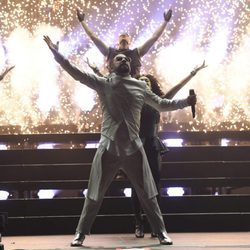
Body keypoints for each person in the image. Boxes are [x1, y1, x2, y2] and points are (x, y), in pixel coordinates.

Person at [43, 35, 196, 247]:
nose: (124, 60)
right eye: (119, 59)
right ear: (111, 65)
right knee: (94, 194)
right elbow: (76, 73)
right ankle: (80, 233)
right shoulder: (103, 83)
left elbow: (162, 104)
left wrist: (186, 102)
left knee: (148, 195)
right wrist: (57, 55)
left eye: (126, 59)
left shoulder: (141, 87)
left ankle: (161, 232)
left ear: (132, 65)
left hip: (133, 148)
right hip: (108, 148)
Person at [133, 62, 207, 238]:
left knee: (155, 185)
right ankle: (138, 222)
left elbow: (175, 91)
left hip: (152, 145)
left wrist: (191, 74)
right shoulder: (131, 101)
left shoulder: (159, 102)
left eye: (147, 80)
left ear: (151, 85)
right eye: (141, 80)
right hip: (135, 145)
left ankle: (154, 223)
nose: (144, 81)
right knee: (136, 185)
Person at [76, 8, 172, 77]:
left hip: (134, 90)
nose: (124, 37)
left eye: (126, 36)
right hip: (115, 89)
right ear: (117, 42)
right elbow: (94, 38)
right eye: (121, 36)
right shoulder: (110, 52)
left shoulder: (136, 52)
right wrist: (82, 22)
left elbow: (154, 38)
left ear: (130, 41)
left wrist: (165, 22)